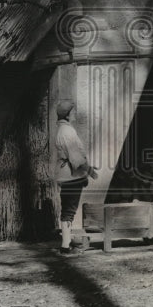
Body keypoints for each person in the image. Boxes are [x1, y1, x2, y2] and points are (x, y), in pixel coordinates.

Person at [54, 99, 97, 255]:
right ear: (67, 115)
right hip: (71, 177)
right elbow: (75, 158)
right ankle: (65, 246)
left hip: (67, 175)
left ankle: (67, 243)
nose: (75, 115)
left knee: (68, 209)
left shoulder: (62, 130)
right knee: (69, 210)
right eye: (73, 112)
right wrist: (90, 171)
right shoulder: (67, 131)